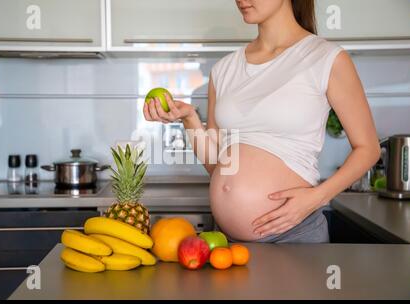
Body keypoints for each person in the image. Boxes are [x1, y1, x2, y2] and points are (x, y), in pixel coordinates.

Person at [143, 0, 380, 243]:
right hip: (231, 242)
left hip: (295, 234)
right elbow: (218, 163)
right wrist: (190, 119)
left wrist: (317, 197)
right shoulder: (224, 69)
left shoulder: (325, 58)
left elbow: (368, 149)